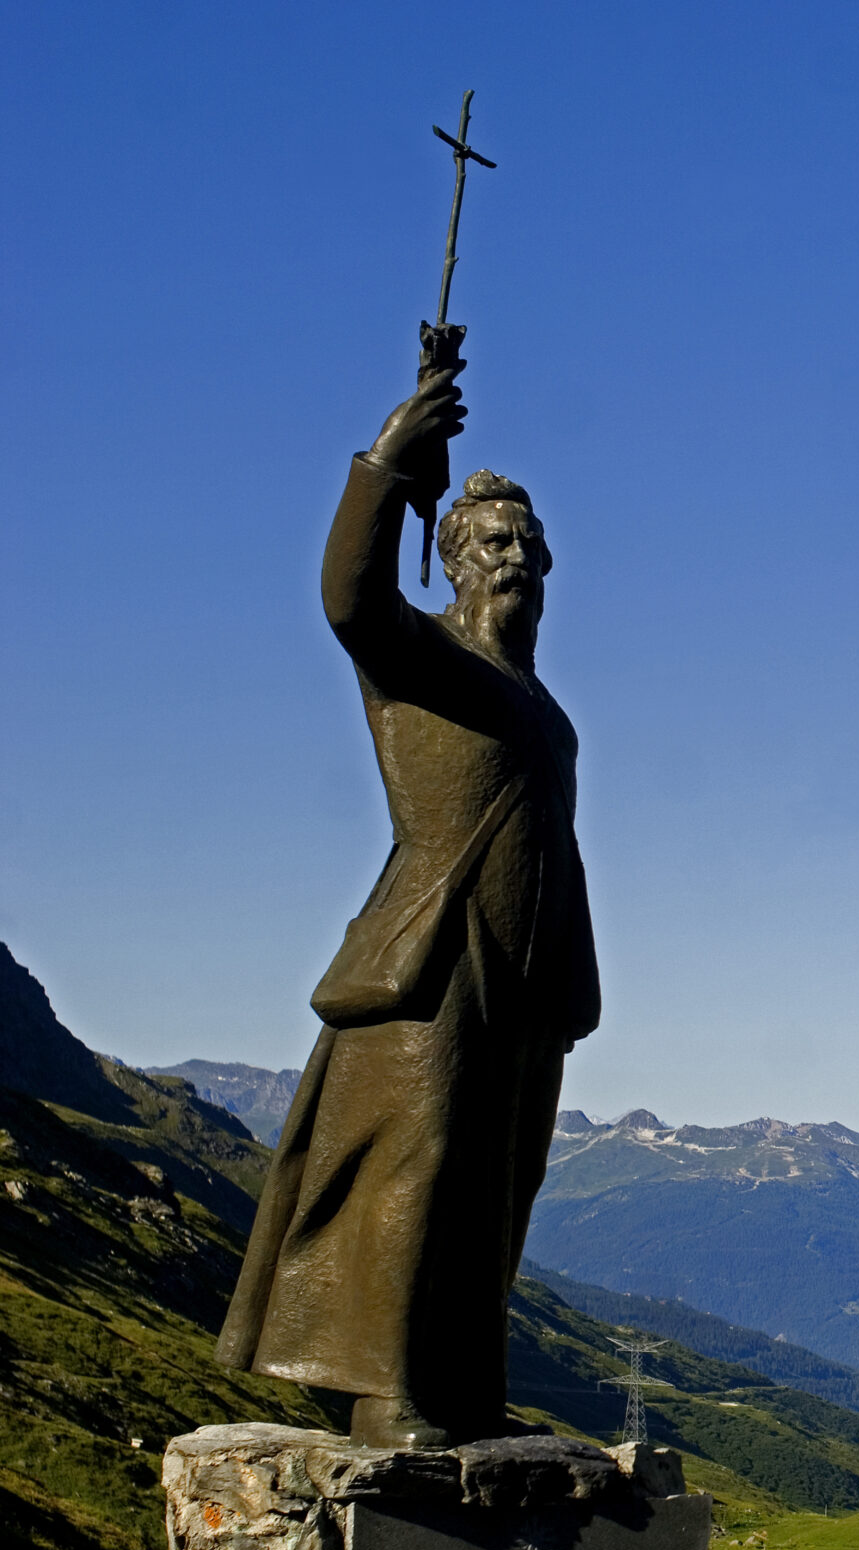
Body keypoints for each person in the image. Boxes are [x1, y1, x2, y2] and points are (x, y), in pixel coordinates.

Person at [216, 354, 600, 1449]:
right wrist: (390, 460)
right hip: (436, 953)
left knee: (495, 1182)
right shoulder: (418, 656)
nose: (515, 555)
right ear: (454, 561)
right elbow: (348, 593)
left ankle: (460, 1379)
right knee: (417, 1159)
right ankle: (384, 1388)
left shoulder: (546, 706)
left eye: (528, 542)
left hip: (530, 971)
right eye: (492, 541)